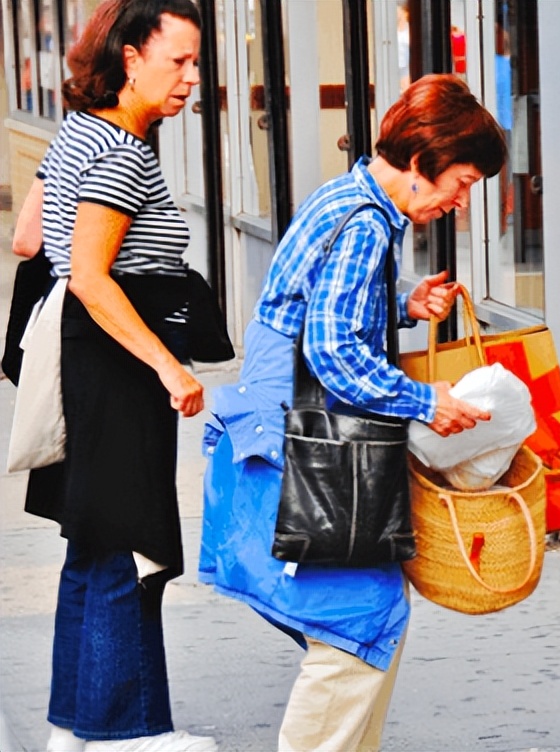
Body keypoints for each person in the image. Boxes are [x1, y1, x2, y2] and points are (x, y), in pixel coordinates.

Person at [198, 73, 506, 752]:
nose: (461, 201)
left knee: (365, 623)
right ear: (422, 161)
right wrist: (427, 401)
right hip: (304, 456)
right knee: (358, 623)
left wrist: (401, 304)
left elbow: (311, 305)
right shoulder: (366, 225)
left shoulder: (346, 199)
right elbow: (332, 350)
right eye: (462, 182)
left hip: (280, 447)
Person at [14, 1, 227, 750]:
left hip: (85, 359)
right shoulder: (124, 152)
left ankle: (73, 729)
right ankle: (128, 732)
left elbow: (27, 238)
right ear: (131, 58)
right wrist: (169, 367)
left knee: (94, 544)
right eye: (179, 60)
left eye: (196, 61)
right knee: (129, 544)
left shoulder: (79, 132)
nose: (191, 77)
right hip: (120, 363)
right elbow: (91, 276)